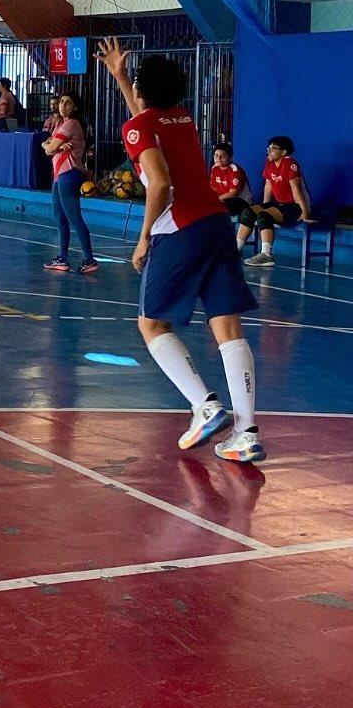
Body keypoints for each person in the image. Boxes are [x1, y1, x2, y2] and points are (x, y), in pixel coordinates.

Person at [97, 38, 264, 464]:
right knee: (227, 326)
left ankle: (204, 405)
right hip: (217, 224)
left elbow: (160, 183)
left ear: (143, 89)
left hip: (180, 228)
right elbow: (144, 120)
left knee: (151, 324)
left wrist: (144, 237)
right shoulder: (181, 118)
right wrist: (121, 76)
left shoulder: (140, 127)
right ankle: (245, 433)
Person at [42, 91, 98, 275]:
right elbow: (48, 145)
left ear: (75, 107)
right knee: (60, 217)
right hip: (59, 175)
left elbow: (49, 148)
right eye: (61, 102)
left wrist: (52, 146)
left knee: (74, 217)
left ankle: (89, 259)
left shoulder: (72, 124)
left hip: (70, 173)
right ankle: (62, 258)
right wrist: (53, 146)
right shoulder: (61, 124)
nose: (62, 105)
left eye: (67, 103)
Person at [236, 135, 310, 267]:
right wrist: (264, 205)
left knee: (264, 216)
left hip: (296, 205)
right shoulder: (269, 162)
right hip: (280, 204)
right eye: (268, 148)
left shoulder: (290, 164)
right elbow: (268, 186)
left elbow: (296, 189)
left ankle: (266, 255)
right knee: (248, 212)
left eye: (273, 148)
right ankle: (235, 251)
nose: (269, 151)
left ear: (283, 152)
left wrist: (304, 212)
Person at [209, 143, 251, 220]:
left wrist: (215, 200)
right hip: (222, 199)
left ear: (230, 157)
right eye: (216, 155)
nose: (218, 158)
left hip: (242, 201)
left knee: (220, 207)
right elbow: (212, 188)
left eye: (222, 156)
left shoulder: (235, 170)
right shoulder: (214, 168)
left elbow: (232, 194)